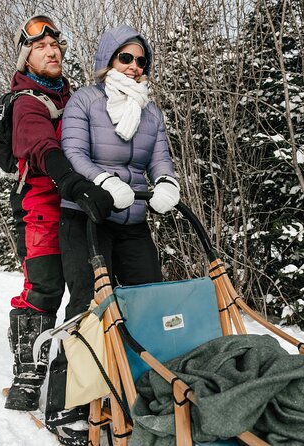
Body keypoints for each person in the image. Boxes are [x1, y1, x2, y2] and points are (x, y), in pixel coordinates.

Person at [55, 24, 182, 441]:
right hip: (87, 216)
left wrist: (165, 184)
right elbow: (73, 153)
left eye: (141, 61)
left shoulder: (150, 111)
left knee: (148, 299)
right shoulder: (85, 101)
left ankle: (140, 390)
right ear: (108, 60)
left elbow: (160, 158)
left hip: (132, 220)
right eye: (125, 58)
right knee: (89, 306)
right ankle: (73, 402)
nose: (134, 67)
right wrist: (104, 183)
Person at [3, 14, 114, 445]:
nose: (52, 52)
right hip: (43, 208)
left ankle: (71, 386)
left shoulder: (77, 98)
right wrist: (71, 181)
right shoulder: (26, 101)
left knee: (86, 295)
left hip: (80, 207)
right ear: (26, 54)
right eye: (41, 47)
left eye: (56, 47)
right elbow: (40, 145)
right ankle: (28, 376)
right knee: (44, 289)